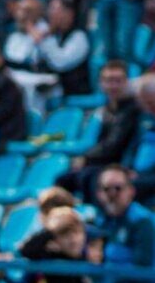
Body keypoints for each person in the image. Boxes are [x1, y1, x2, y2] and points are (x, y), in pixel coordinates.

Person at [56, 61, 137, 201]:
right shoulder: (107, 107)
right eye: (108, 81)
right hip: (101, 163)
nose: (113, 86)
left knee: (87, 178)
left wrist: (86, 158)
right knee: (64, 179)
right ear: (101, 83)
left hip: (120, 166)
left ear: (127, 82)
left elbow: (113, 145)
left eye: (118, 80)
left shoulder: (132, 110)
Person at [94, 164, 155, 266]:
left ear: (131, 191)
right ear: (99, 194)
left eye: (118, 188)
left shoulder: (142, 221)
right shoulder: (99, 220)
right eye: (106, 189)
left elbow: (142, 269)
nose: (112, 194)